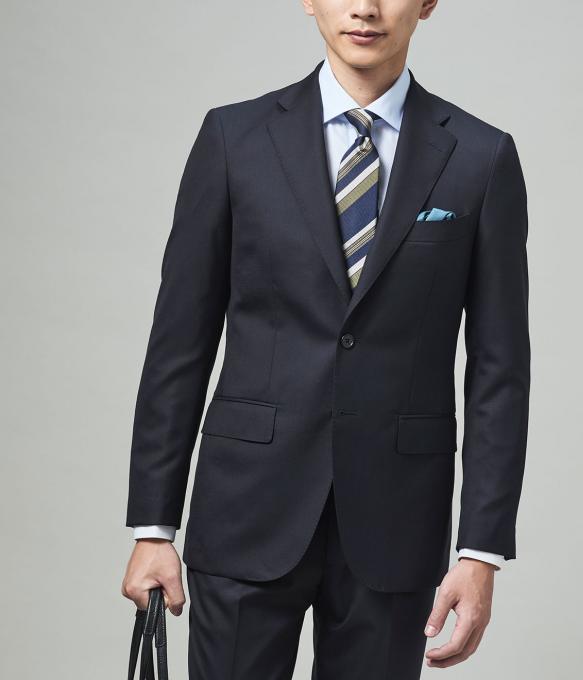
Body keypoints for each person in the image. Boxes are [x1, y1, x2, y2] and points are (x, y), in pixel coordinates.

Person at [121, 0, 530, 676]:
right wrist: (153, 527)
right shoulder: (234, 139)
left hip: (397, 526)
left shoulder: (481, 157)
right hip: (245, 512)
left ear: (428, 4)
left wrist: (480, 551)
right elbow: (179, 344)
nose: (364, 8)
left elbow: (500, 369)